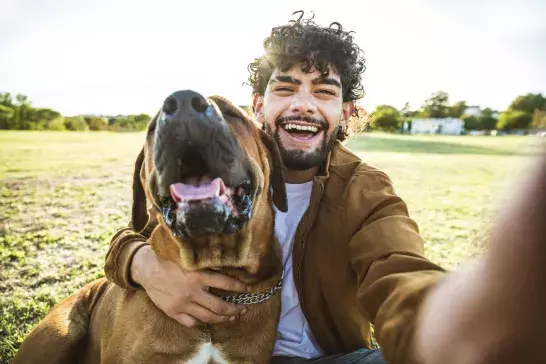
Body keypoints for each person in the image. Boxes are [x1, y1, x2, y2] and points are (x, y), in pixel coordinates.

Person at [104, 12, 546, 364]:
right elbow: (139, 231)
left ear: (346, 111)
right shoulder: (221, 178)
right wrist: (142, 264)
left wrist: (463, 325)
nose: (303, 103)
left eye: (324, 91)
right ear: (259, 105)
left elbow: (399, 275)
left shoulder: (367, 192)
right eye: (286, 87)